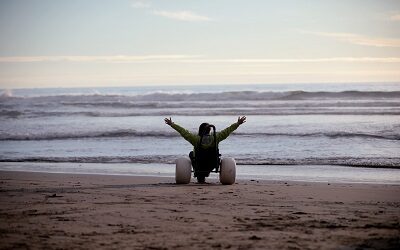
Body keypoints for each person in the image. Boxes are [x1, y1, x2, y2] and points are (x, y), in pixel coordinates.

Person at [164, 116, 246, 183]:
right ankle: (202, 174)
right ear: (209, 130)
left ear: (200, 130)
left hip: (199, 163)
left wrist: (172, 124)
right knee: (212, 155)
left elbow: (183, 132)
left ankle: (199, 175)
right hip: (212, 163)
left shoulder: (196, 139)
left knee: (191, 154)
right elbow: (227, 131)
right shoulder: (216, 138)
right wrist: (238, 123)